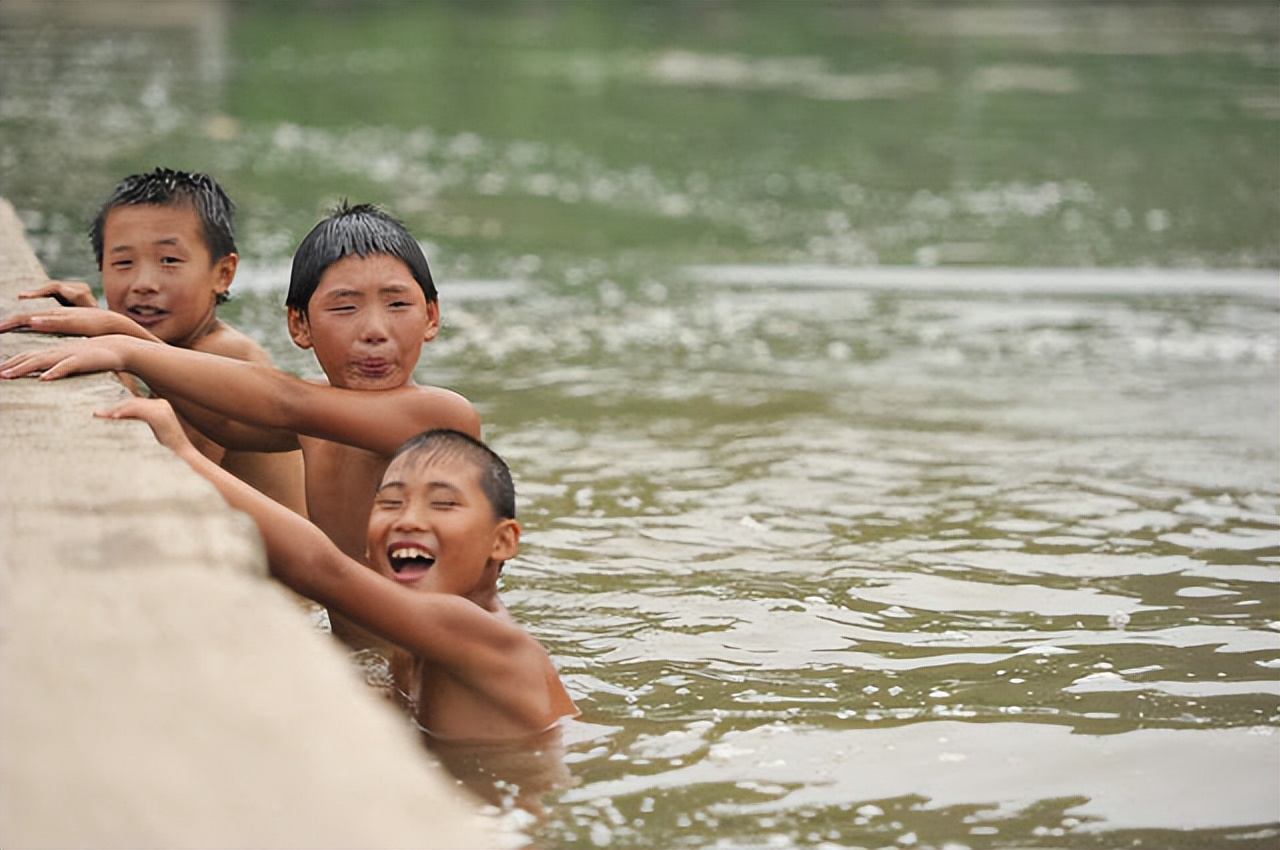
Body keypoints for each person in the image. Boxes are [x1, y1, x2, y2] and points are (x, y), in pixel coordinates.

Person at [0, 201, 481, 650]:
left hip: (443, 666)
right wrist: (122, 333)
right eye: (344, 307)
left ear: (431, 317)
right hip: (371, 661)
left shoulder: (440, 419)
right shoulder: (319, 420)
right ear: (300, 326)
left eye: (397, 305)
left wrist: (131, 348)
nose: (375, 329)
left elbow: (285, 401)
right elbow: (229, 421)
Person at [100, 396, 578, 810]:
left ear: (503, 541)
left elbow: (320, 569)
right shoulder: (411, 642)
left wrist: (184, 454)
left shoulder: (474, 629)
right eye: (390, 503)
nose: (408, 520)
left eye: (443, 503)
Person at [0, 167, 306, 515]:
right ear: (100, 268)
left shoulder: (229, 355)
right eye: (123, 262)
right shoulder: (181, 346)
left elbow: (160, 468)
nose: (144, 282)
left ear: (223, 274)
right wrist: (103, 330)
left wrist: (119, 333)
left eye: (169, 261)